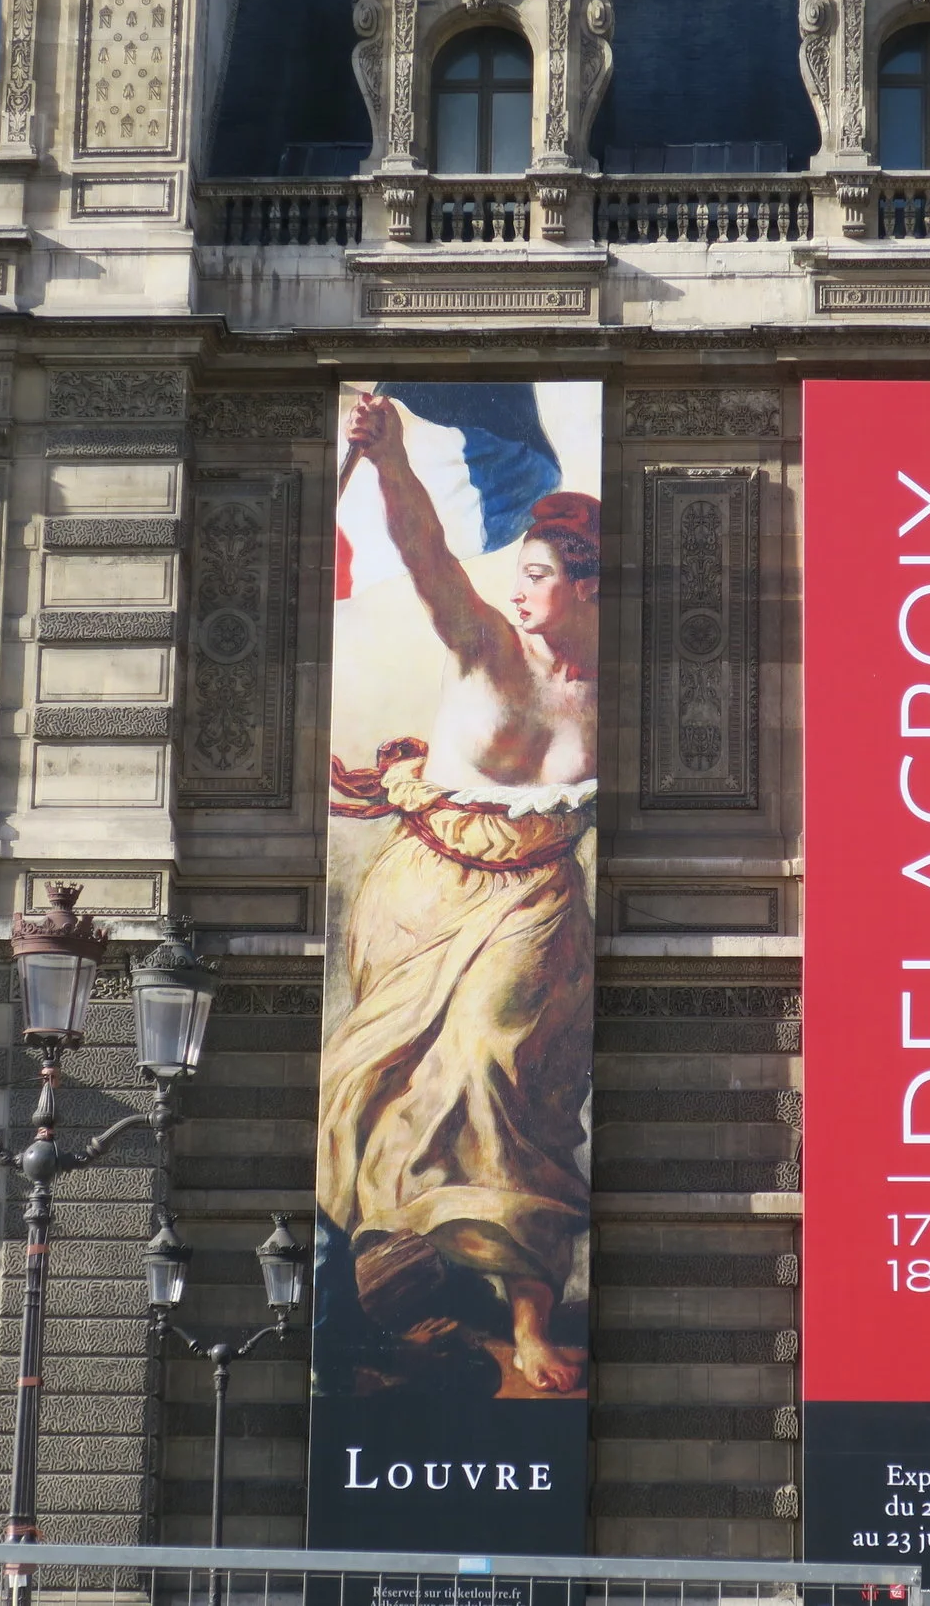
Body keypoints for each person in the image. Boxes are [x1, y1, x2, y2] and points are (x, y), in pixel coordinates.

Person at [317, 393, 599, 1395]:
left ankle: (529, 1319)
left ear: (587, 586)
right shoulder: (485, 644)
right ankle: (384, 1285)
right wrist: (390, 457)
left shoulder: (617, 696)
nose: (518, 589)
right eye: (519, 569)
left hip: (535, 895)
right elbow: (427, 552)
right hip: (425, 882)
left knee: (497, 1067)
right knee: (369, 1079)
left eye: (539, 574)